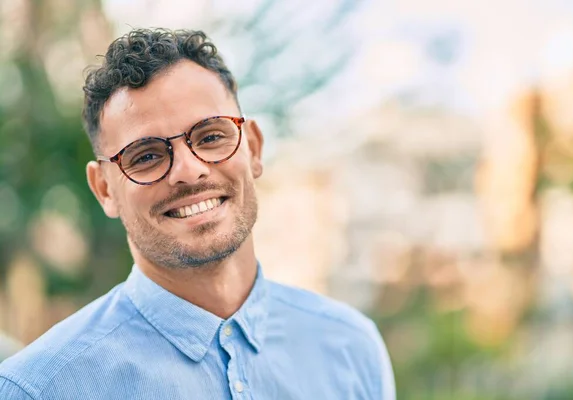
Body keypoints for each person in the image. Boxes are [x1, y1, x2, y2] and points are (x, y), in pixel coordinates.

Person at [0, 28, 395, 399]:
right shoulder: (39, 389)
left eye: (210, 136)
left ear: (253, 148)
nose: (189, 170)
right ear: (105, 189)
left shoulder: (351, 348)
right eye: (147, 156)